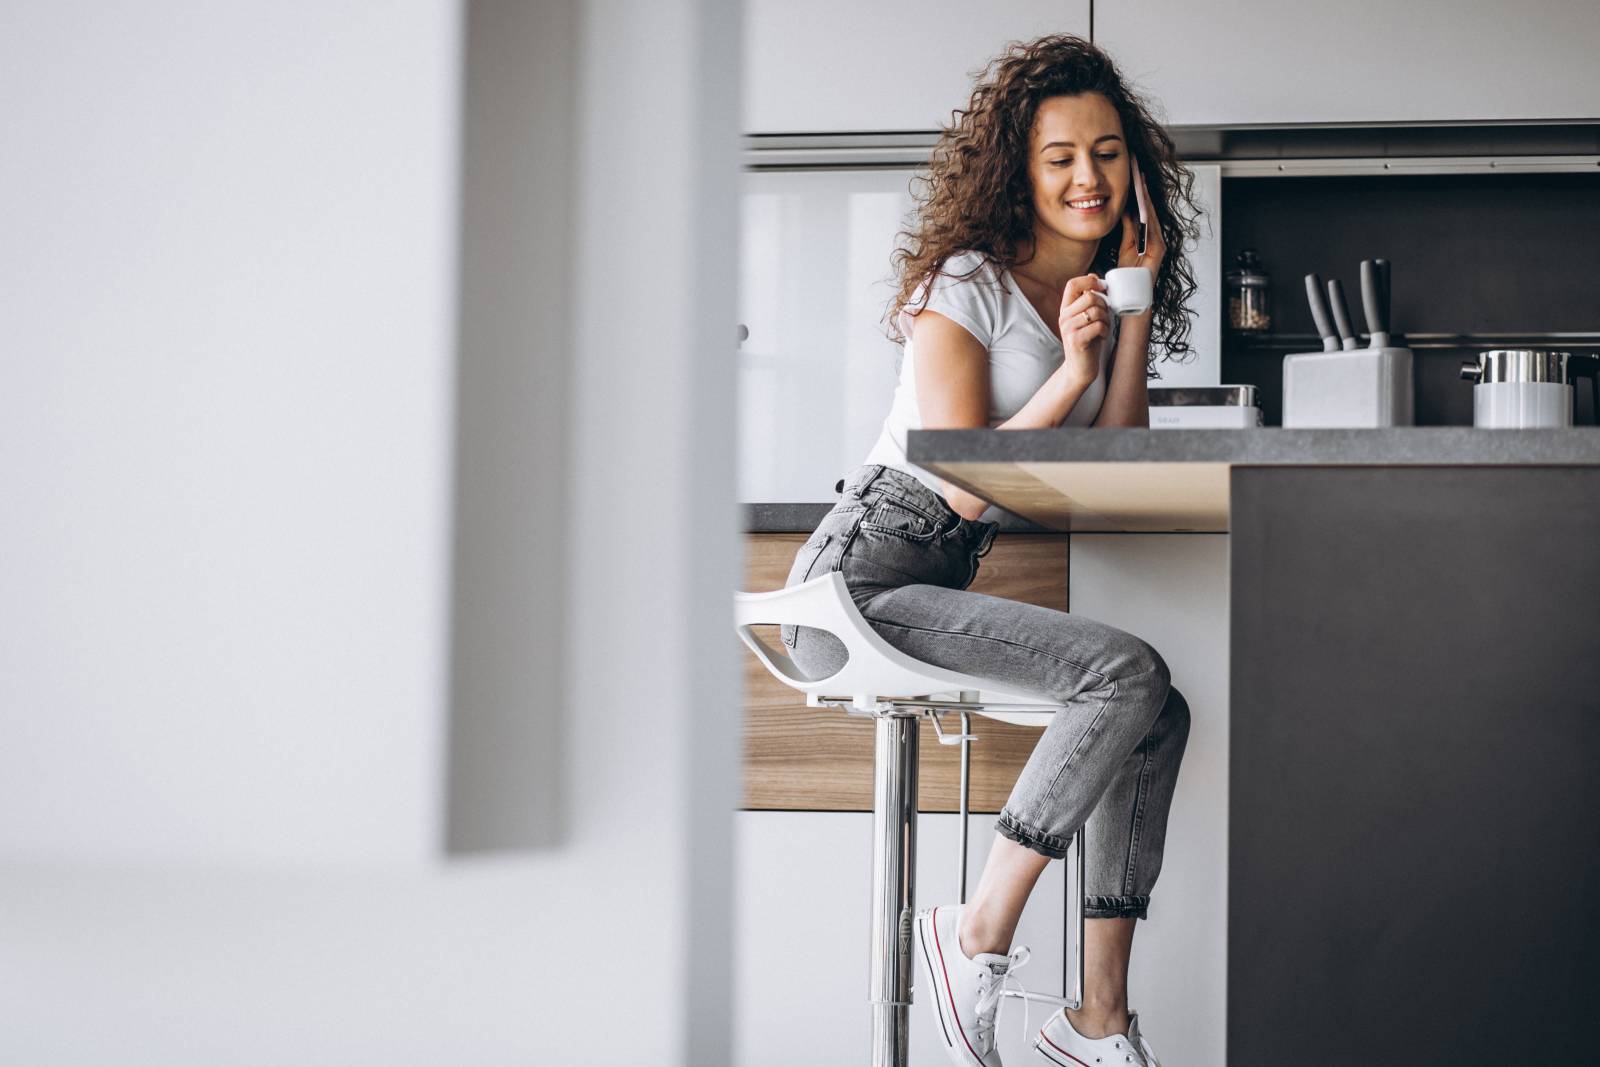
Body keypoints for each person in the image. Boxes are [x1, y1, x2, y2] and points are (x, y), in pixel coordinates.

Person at [780, 33, 1202, 1067]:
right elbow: (964, 471)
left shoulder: (1099, 291)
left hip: (931, 572)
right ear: (1019, 168)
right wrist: (1067, 369)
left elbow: (1115, 460)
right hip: (858, 575)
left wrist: (1131, 310)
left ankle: (1097, 1019)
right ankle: (972, 928)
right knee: (1122, 672)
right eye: (1059, 156)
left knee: (1155, 713)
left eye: (1107, 153)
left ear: (1134, 168)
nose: (1086, 177)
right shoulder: (963, 281)